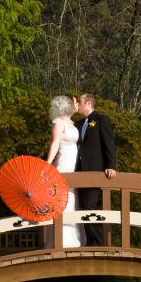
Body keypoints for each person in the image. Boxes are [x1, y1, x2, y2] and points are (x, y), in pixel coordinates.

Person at [74, 94, 117, 247]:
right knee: (83, 207)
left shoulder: (101, 120)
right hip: (79, 172)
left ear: (88, 103)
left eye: (79, 102)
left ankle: (99, 244)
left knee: (90, 207)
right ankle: (90, 242)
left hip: (94, 171)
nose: (77, 104)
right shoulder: (77, 123)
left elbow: (108, 143)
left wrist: (111, 165)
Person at [45, 95, 84, 248]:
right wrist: (48, 164)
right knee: (62, 196)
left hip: (73, 161)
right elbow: (54, 144)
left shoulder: (71, 122)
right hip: (63, 162)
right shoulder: (58, 123)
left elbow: (73, 112)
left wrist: (75, 107)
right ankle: (60, 241)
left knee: (71, 197)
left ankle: (72, 240)